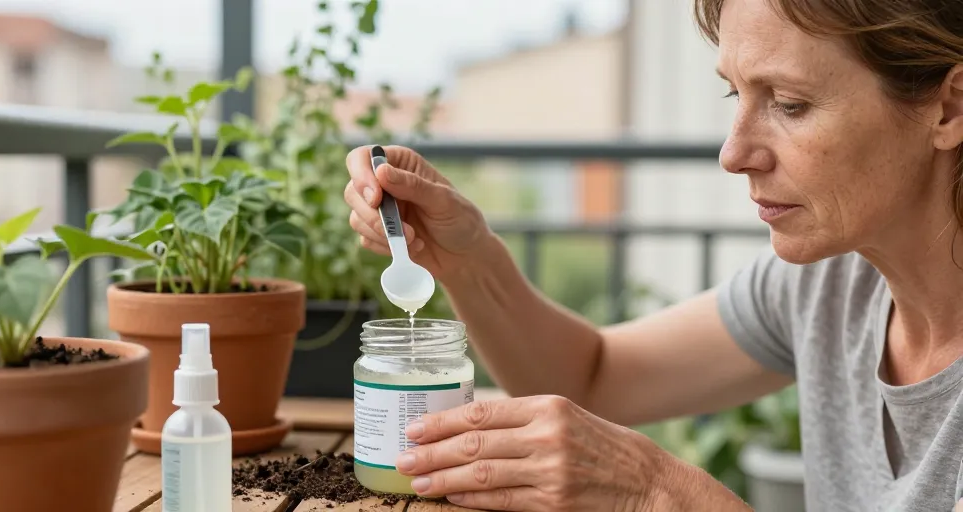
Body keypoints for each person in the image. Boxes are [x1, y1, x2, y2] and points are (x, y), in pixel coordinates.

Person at [343, 0, 963, 509]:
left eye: (790, 104)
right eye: (735, 96)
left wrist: (661, 493)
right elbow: (592, 377)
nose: (735, 152)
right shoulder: (832, 285)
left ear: (949, 106)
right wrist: (467, 257)